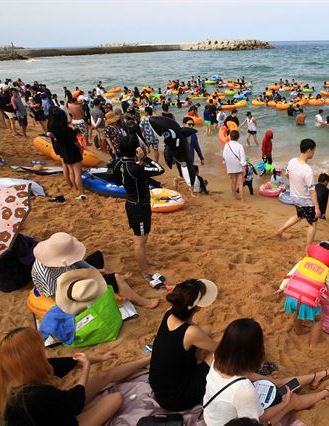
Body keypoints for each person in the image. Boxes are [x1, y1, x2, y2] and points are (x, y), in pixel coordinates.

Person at [0, 327, 151, 426]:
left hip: (55, 413)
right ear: (32, 358)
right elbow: (75, 402)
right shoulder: (34, 395)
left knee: (103, 376)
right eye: (40, 351)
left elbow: (72, 362)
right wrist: (87, 369)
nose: (44, 352)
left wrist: (101, 358)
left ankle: (148, 359)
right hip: (63, 417)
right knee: (115, 398)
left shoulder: (18, 371)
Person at [202, 318, 329, 426]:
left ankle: (316, 376)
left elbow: (247, 376)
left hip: (214, 417)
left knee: (277, 383)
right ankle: (327, 392)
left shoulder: (219, 358)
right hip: (236, 422)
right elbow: (259, 419)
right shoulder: (244, 389)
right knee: (291, 399)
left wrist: (270, 380)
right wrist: (284, 404)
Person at [31, 232, 158, 308]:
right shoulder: (44, 271)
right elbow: (56, 297)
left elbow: (78, 262)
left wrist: (97, 271)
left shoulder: (60, 250)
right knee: (116, 279)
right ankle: (142, 302)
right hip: (67, 289)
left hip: (74, 274)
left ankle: (113, 285)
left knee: (98, 256)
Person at [150, 279, 218, 411]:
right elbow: (219, 348)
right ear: (197, 308)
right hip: (177, 398)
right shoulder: (191, 333)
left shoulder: (169, 313)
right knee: (218, 355)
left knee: (207, 330)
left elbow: (192, 329)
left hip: (160, 387)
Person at [113, 136, 166, 286]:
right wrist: (145, 158)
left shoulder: (118, 164)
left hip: (132, 203)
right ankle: (145, 271)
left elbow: (117, 181)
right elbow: (159, 169)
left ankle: (146, 258)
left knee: (144, 236)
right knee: (139, 241)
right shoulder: (137, 168)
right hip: (139, 207)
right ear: (136, 150)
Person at [277, 241, 329, 346]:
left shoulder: (303, 262)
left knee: (297, 311)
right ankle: (312, 345)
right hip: (308, 302)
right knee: (319, 319)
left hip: (292, 298)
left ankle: (299, 330)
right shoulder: (326, 272)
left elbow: (289, 275)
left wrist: (281, 288)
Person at [275, 139, 320, 247]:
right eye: (314, 151)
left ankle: (279, 231)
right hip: (305, 200)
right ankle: (308, 249)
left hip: (294, 197)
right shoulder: (307, 170)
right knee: (313, 224)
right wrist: (317, 208)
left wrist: (296, 183)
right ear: (309, 150)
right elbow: (312, 192)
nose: (314, 153)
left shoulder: (292, 161)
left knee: (299, 216)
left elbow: (287, 175)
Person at [47, 107, 87, 200]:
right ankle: (82, 193)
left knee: (71, 170)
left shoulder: (54, 130)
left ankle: (74, 188)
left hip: (64, 151)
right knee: (77, 173)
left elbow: (49, 134)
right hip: (72, 151)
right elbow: (76, 143)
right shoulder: (67, 130)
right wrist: (81, 148)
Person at [222, 129, 247, 202]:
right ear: (238, 137)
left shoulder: (227, 145)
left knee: (233, 181)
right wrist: (244, 167)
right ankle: (242, 199)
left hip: (230, 166)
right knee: (240, 183)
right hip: (238, 166)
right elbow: (243, 159)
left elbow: (224, 156)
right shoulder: (240, 146)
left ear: (230, 137)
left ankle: (235, 197)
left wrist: (226, 165)